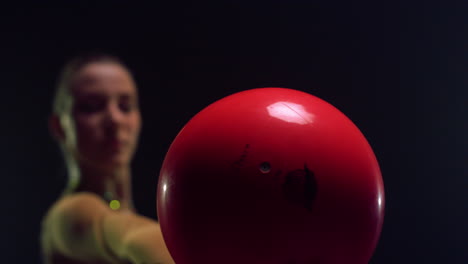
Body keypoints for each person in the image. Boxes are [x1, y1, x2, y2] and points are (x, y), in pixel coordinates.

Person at [40, 53, 175, 264]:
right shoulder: (69, 214)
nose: (114, 119)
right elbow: (131, 236)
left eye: (125, 106)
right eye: (92, 106)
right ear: (60, 126)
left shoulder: (126, 210)